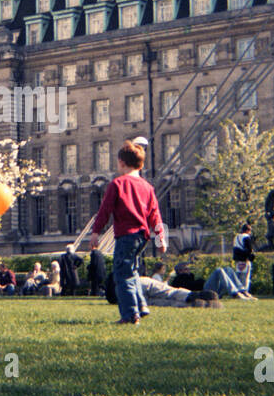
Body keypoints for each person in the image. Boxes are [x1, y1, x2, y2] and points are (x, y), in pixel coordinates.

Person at [90, 139, 168, 325]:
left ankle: (130, 315)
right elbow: (155, 215)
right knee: (131, 271)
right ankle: (141, 305)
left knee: (121, 275)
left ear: (122, 162)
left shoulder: (117, 184)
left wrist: (95, 232)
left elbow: (105, 210)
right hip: (142, 237)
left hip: (126, 235)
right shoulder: (148, 187)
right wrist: (160, 239)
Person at [106, 275, 220, 308]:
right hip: (140, 282)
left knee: (163, 303)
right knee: (169, 292)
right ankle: (192, 295)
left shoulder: (113, 293)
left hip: (126, 295)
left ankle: (190, 304)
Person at [232, 223, 255, 293]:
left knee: (238, 276)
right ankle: (244, 291)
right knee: (245, 277)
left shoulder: (236, 237)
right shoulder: (246, 237)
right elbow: (249, 249)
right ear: (248, 230)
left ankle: (237, 290)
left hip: (238, 260)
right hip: (245, 259)